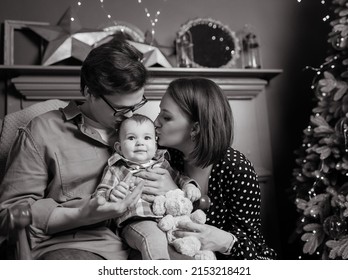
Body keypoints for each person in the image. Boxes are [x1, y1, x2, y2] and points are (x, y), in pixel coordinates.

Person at [0, 40, 149, 260]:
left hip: (145, 239)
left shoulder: (143, 130)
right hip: (77, 247)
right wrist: (82, 214)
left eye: (136, 105)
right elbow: (9, 216)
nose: (130, 116)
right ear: (89, 92)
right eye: (120, 109)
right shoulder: (43, 130)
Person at [135, 77, 277, 260]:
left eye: (166, 117)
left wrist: (176, 191)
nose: (155, 123)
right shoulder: (166, 157)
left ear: (195, 128)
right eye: (159, 113)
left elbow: (252, 245)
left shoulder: (236, 168)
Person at [93, 114, 201, 260]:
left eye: (147, 138)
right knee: (153, 238)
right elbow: (98, 197)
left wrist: (190, 186)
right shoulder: (116, 169)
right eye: (131, 138)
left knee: (186, 247)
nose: (140, 143)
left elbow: (180, 179)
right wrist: (111, 194)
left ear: (156, 145)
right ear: (119, 147)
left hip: (169, 221)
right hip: (138, 221)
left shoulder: (163, 164)